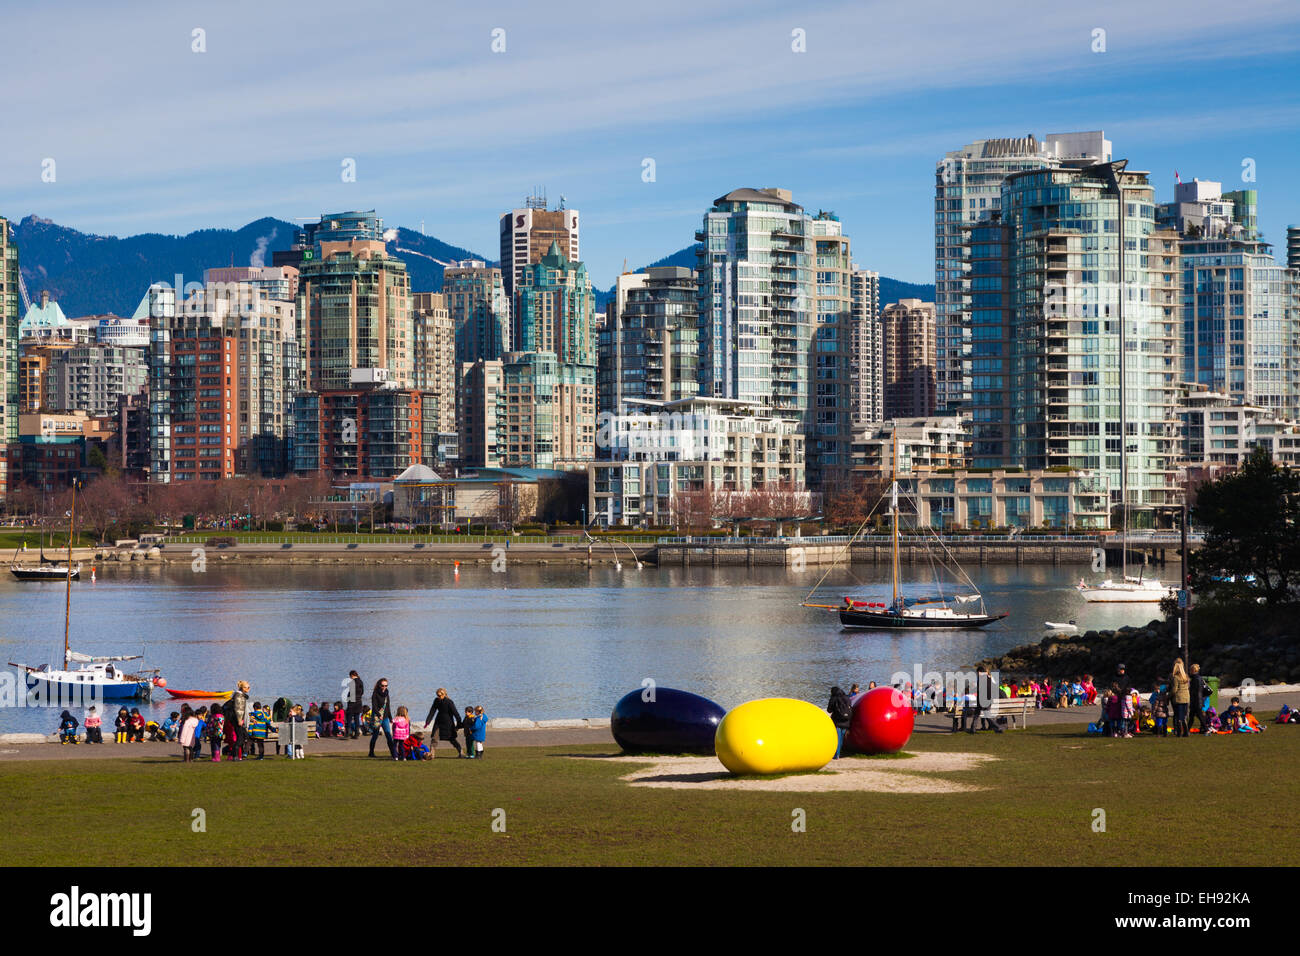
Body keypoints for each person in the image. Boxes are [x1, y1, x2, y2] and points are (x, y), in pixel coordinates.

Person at [424, 687, 463, 757]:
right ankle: (431, 754)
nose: (439, 697)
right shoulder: (436, 701)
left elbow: (456, 714)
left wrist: (459, 725)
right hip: (438, 722)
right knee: (434, 738)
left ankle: (461, 752)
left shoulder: (449, 702)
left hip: (448, 723)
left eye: (440, 695)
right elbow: (432, 711)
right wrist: (427, 722)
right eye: (437, 695)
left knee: (452, 739)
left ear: (444, 694)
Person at [368, 678, 395, 758]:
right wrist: (378, 715)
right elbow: (374, 706)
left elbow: (388, 706)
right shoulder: (375, 693)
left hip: (385, 717)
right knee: (375, 735)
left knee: (388, 735)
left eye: (386, 686)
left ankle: (393, 754)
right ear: (379, 685)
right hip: (376, 717)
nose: (384, 687)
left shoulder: (387, 693)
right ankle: (371, 753)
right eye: (382, 685)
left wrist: (390, 717)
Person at [827, 686, 852, 758]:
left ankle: (836, 755)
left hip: (837, 721)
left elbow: (829, 710)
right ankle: (838, 753)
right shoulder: (847, 698)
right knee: (841, 739)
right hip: (846, 721)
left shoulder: (834, 698)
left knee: (837, 738)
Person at [229, 681, 250, 761]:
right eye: (247, 687)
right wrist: (239, 720)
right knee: (241, 738)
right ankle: (234, 755)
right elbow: (238, 709)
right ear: (242, 688)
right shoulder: (238, 696)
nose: (248, 689)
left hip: (239, 719)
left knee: (244, 736)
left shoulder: (241, 695)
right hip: (238, 719)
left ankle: (234, 754)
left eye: (249, 687)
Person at [1170, 658, 1191, 737]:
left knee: (1179, 716)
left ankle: (1179, 733)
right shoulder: (1186, 676)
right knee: (1184, 716)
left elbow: (1174, 689)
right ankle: (1186, 732)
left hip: (1179, 698)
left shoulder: (1176, 678)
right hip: (1186, 698)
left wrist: (1169, 696)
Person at [346, 671, 365, 739]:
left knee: (349, 718)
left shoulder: (352, 682)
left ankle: (348, 733)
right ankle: (356, 733)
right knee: (357, 718)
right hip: (359, 702)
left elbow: (351, 693)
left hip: (352, 703)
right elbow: (362, 692)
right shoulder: (361, 681)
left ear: (352, 675)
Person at [1189, 663, 1207, 734]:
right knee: (1193, 716)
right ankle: (1187, 729)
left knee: (1198, 716)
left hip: (1196, 701)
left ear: (1193, 670)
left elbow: (1195, 691)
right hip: (1198, 700)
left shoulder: (1195, 679)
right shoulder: (1199, 678)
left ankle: (1206, 729)